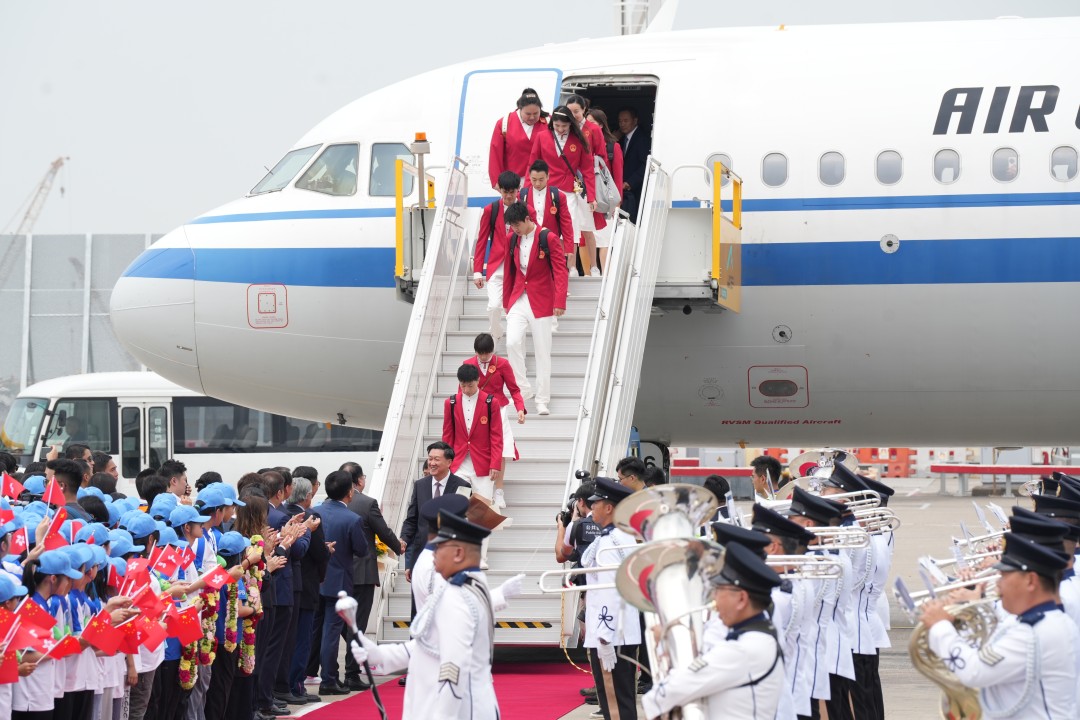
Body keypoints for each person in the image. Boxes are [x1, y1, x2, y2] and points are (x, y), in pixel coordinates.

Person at [349, 511, 500, 719]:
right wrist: (382, 655)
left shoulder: (456, 598)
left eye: (438, 549)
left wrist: (442, 714)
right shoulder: (466, 586)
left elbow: (453, 666)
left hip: (457, 707)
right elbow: (429, 644)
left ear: (458, 554)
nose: (433, 554)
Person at [921, 529, 1078, 718]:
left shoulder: (1032, 632)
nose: (998, 583)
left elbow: (974, 671)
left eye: (1004, 576)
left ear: (1030, 580)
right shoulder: (1044, 621)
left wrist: (940, 626)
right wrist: (969, 607)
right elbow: (989, 646)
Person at [641, 542, 786, 720]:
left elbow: (671, 690)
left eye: (718, 590)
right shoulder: (756, 637)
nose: (714, 598)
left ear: (741, 598)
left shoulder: (741, 650)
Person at [501, 201, 569, 417]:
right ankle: (523, 388)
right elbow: (509, 271)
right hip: (519, 298)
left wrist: (559, 302)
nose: (515, 230)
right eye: (511, 226)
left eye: (517, 225)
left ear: (528, 220)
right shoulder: (512, 238)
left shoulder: (547, 238)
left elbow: (560, 271)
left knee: (542, 353)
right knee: (511, 342)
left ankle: (542, 400)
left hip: (542, 300)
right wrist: (506, 302)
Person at [581, 477, 641, 720]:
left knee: (613, 700)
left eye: (596, 503)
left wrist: (605, 637)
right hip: (621, 630)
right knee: (621, 697)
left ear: (609, 508)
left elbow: (609, 591)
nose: (591, 507)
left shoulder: (610, 543)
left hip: (611, 633)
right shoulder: (621, 537)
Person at [342, 463, 402, 691]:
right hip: (362, 573)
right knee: (357, 625)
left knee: (338, 623)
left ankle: (324, 673)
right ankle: (352, 673)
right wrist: (399, 546)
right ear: (358, 481)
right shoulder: (366, 503)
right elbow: (383, 531)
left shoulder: (326, 505)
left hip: (338, 572)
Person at [313, 470, 369, 695]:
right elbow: (362, 549)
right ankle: (328, 679)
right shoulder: (352, 519)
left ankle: (312, 675)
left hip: (314, 579)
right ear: (350, 492)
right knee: (331, 630)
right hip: (338, 582)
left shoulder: (315, 512)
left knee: (314, 629)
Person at [528, 105, 597, 278]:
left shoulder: (579, 139)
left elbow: (588, 170)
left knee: (571, 226)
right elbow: (532, 163)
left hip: (569, 190)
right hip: (545, 189)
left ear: (571, 124)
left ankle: (571, 266)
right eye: (557, 126)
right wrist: (527, 189)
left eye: (564, 126)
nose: (560, 129)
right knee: (544, 225)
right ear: (552, 124)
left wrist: (592, 197)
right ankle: (545, 263)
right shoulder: (542, 136)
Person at [464, 332, 525, 509]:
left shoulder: (502, 364)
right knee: (478, 447)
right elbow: (463, 390)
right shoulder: (468, 364)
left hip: (498, 409)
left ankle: (498, 490)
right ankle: (483, 488)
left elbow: (514, 389)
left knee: (503, 448)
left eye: (487, 354)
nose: (483, 357)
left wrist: (520, 408)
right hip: (475, 409)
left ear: (492, 350)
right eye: (480, 354)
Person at [400, 442, 472, 579]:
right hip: (421, 557)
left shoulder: (462, 486)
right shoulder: (420, 485)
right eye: (430, 458)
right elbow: (412, 520)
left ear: (449, 462)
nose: (432, 463)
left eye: (436, 459)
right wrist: (403, 541)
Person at [472, 171, 520, 341]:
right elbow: (482, 241)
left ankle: (514, 339)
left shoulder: (526, 209)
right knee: (494, 306)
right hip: (497, 266)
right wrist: (478, 271)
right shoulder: (490, 210)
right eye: (505, 192)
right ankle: (496, 330)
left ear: (518, 190)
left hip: (518, 266)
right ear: (499, 190)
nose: (508, 196)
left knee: (514, 309)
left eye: (512, 192)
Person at [566, 94, 605, 276]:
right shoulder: (564, 128)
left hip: (588, 181)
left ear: (584, 111)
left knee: (588, 226)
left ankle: (594, 266)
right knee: (571, 225)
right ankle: (572, 266)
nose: (573, 116)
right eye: (570, 112)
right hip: (569, 182)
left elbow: (602, 156)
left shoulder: (593, 129)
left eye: (577, 112)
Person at [586, 107, 625, 273]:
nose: (587, 126)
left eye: (591, 123)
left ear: (600, 125)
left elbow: (618, 177)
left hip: (605, 201)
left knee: (605, 241)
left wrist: (617, 203)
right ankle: (590, 273)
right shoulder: (581, 145)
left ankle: (605, 277)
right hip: (587, 199)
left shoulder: (612, 147)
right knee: (586, 239)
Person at [520, 160, 575, 272]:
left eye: (541, 179)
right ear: (529, 176)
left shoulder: (559, 196)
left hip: (552, 245)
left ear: (548, 176)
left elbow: (566, 224)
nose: (538, 184)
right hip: (529, 244)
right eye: (534, 180)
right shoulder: (522, 196)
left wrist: (569, 249)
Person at [488, 88, 545, 188]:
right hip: (514, 181)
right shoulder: (504, 123)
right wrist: (496, 180)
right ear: (519, 109)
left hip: (541, 179)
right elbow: (495, 153)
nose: (532, 117)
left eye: (536, 113)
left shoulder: (549, 122)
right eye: (528, 114)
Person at [618, 107, 651, 224]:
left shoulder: (642, 139)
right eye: (620, 121)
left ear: (635, 121)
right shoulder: (622, 139)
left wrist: (630, 183)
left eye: (625, 121)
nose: (622, 124)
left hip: (635, 189)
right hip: (624, 191)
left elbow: (645, 164)